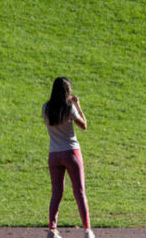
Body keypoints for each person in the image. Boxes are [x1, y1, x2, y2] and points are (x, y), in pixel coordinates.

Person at [43, 77, 95, 238]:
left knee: (56, 193)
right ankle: (87, 229)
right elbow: (84, 125)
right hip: (71, 152)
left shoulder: (46, 108)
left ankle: (52, 229)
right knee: (79, 192)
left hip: (54, 154)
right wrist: (77, 104)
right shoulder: (69, 109)